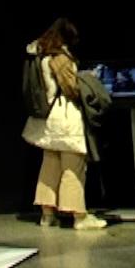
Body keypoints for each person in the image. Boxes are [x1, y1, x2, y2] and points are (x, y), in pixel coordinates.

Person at [22, 18, 106, 229]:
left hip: (48, 120)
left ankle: (47, 215)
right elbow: (71, 88)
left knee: (49, 166)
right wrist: (87, 80)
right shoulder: (60, 58)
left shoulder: (39, 55)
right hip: (66, 118)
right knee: (73, 166)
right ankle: (79, 216)